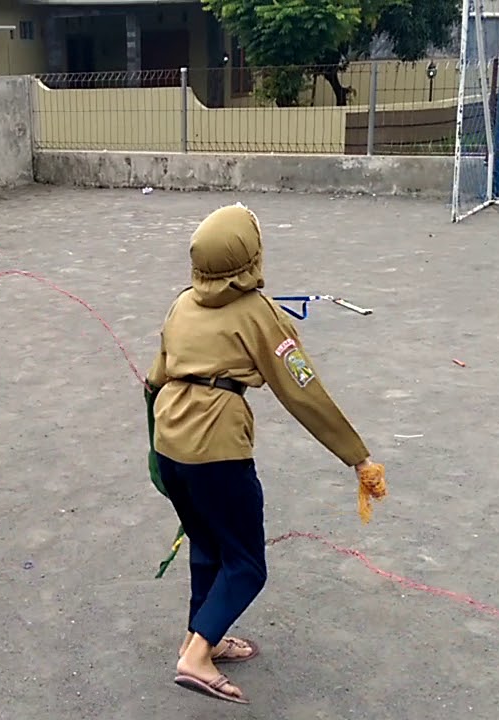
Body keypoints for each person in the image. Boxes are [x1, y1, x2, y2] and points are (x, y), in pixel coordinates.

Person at [145, 203, 386, 704]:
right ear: (250, 255)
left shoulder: (182, 303)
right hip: (216, 450)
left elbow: (153, 379)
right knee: (247, 563)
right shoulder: (260, 313)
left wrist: (158, 450)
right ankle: (195, 658)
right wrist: (357, 457)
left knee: (208, 546)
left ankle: (201, 638)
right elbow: (303, 390)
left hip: (171, 443)